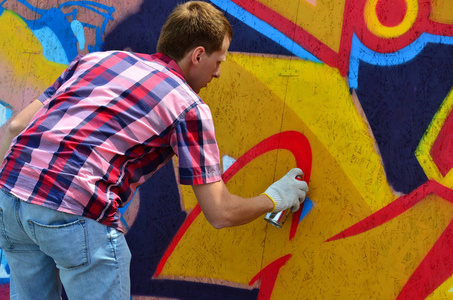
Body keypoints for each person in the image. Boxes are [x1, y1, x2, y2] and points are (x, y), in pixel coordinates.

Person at [0, 1, 308, 299]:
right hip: (76, 207)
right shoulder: (187, 106)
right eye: (219, 62)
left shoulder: (95, 61)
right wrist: (275, 198)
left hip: (11, 196)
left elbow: (15, 128)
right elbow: (220, 212)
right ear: (198, 56)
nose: (217, 74)